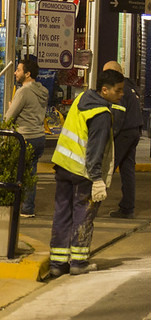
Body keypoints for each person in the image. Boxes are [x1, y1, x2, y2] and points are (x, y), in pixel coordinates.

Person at [49, 69, 124, 277]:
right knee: (83, 214)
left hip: (63, 165)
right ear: (105, 90)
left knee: (62, 213)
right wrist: (97, 179)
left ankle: (57, 263)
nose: (121, 94)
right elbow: (95, 150)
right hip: (82, 172)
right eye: (118, 91)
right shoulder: (101, 115)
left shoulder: (81, 98)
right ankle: (79, 262)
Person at [4, 57, 48, 218]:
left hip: (24, 137)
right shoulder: (43, 91)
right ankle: (28, 207)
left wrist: (11, 106)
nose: (15, 73)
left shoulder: (23, 92)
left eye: (18, 70)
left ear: (27, 74)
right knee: (31, 172)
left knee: (16, 173)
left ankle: (16, 205)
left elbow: (9, 117)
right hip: (39, 137)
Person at [103, 61, 143, 219]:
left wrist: (109, 137)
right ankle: (127, 208)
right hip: (134, 131)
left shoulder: (120, 89)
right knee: (127, 171)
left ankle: (90, 203)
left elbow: (118, 116)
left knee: (107, 167)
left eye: (107, 73)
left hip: (124, 133)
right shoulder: (130, 87)